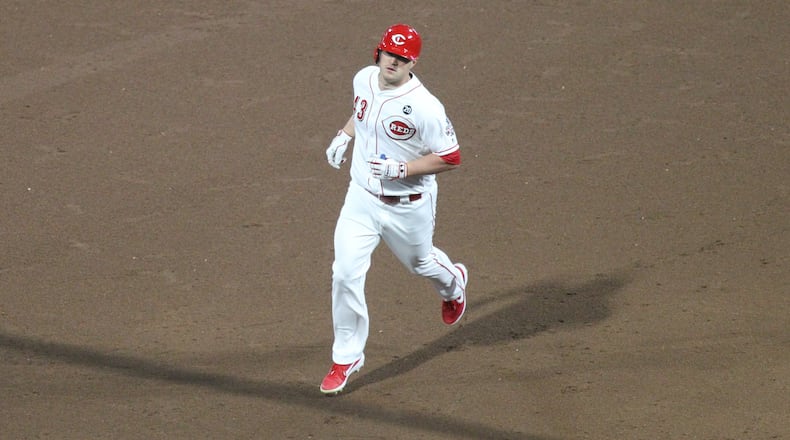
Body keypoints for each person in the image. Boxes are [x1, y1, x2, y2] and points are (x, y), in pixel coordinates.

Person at [320, 24, 468, 395]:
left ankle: (453, 285)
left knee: (420, 263)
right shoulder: (363, 79)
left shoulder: (425, 107)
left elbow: (451, 157)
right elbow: (363, 113)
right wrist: (344, 134)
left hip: (408, 206)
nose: (394, 61)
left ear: (412, 62)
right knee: (344, 273)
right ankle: (347, 356)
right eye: (389, 53)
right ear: (378, 52)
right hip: (361, 198)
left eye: (402, 58)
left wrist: (403, 169)